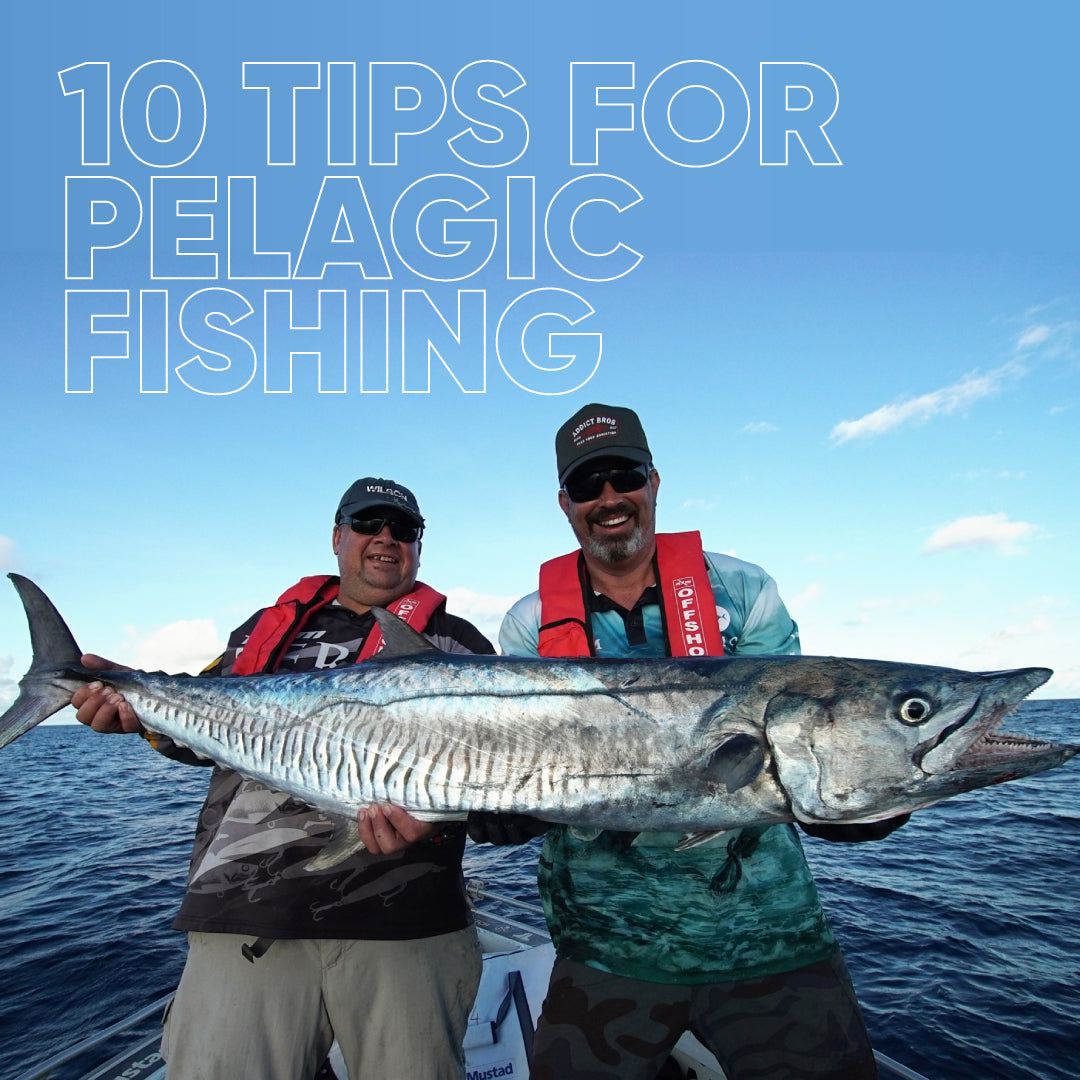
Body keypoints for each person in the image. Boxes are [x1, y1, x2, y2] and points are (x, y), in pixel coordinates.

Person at [491, 404, 906, 1080]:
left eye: (625, 476)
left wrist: (857, 794)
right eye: (588, 485)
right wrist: (501, 811)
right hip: (603, 945)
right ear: (565, 503)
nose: (609, 498)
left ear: (653, 481)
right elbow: (513, 754)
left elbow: (800, 737)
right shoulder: (529, 622)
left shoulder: (743, 591)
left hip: (769, 937)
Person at [73, 477, 492, 1080]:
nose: (385, 538)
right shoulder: (263, 631)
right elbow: (200, 732)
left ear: (418, 546)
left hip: (406, 923)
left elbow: (499, 784)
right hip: (247, 914)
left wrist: (435, 821)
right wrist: (137, 715)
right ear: (337, 537)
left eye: (402, 529)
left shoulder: (457, 644)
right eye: (368, 523)